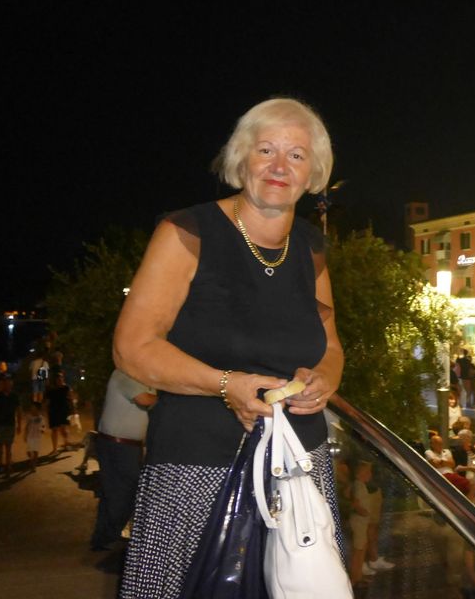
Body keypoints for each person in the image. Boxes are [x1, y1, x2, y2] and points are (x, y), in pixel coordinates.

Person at [114, 98, 346, 598]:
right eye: (266, 150)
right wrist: (226, 385)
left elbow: (329, 344)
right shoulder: (187, 232)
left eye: (296, 155)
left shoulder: (310, 247)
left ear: (313, 174)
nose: (280, 166)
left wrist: (325, 379)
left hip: (298, 467)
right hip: (197, 465)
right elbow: (132, 348)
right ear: (241, 160)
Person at [90, 369, 157, 552]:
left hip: (125, 446)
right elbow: (144, 400)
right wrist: (169, 399)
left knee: (115, 492)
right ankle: (108, 536)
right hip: (117, 444)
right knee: (126, 492)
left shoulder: (140, 377)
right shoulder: (125, 374)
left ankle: (104, 537)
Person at [0, 373, 21, 476]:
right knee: (0, 446)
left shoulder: (14, 396)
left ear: (11, 384)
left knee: (8, 447)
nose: (7, 384)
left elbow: (19, 411)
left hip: (10, 424)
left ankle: (8, 465)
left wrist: (19, 425)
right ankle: (1, 464)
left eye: (9, 383)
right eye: (5, 383)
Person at [349, 460, 375, 585]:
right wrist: (364, 512)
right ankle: (354, 578)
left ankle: (358, 576)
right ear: (359, 474)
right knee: (358, 550)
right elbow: (356, 503)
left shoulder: (361, 485)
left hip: (362, 523)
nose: (370, 475)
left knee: (362, 548)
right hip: (359, 522)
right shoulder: (358, 486)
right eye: (367, 472)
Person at [45, 371, 73, 453]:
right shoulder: (51, 389)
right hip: (53, 411)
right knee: (54, 430)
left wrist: (73, 409)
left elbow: (71, 398)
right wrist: (47, 411)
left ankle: (66, 443)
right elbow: (47, 402)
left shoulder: (66, 388)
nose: (59, 380)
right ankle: (54, 448)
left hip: (63, 411)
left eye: (61, 378)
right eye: (58, 379)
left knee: (64, 429)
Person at [24, 401, 45, 471]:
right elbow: (27, 426)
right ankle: (32, 459)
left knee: (36, 451)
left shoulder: (41, 418)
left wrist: (42, 430)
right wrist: (25, 434)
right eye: (31, 408)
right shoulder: (29, 417)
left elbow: (43, 426)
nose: (32, 409)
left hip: (37, 437)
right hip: (30, 436)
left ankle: (34, 465)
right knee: (28, 451)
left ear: (38, 409)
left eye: (34, 408)